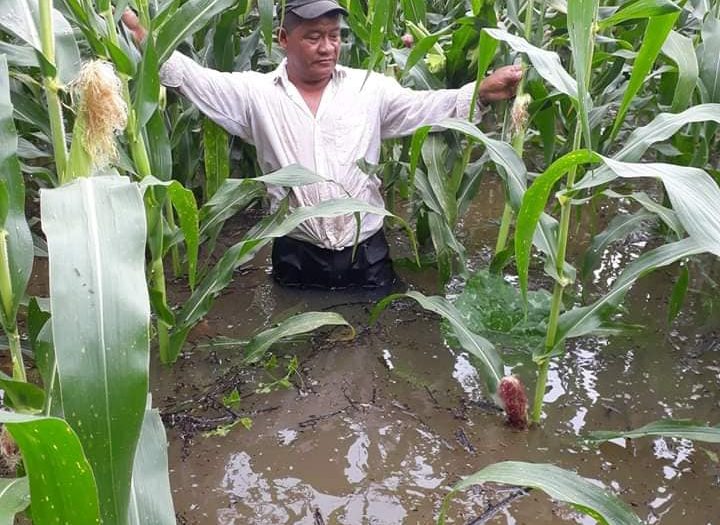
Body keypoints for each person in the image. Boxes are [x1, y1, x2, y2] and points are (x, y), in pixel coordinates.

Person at [121, 0, 521, 290]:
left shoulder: (369, 88)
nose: (328, 47)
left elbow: (425, 107)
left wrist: (481, 92)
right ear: (283, 39)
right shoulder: (255, 94)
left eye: (334, 36)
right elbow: (190, 76)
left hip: (367, 255)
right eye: (313, 37)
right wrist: (136, 32)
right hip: (297, 255)